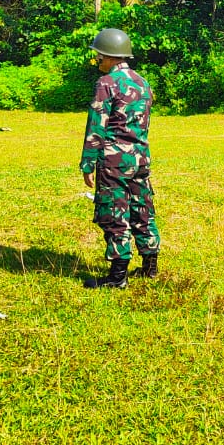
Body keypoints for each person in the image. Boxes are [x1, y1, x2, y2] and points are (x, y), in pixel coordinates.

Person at [80, 28, 161, 289]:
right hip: (140, 157)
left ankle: (117, 277)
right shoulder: (143, 82)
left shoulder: (106, 83)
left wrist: (88, 162)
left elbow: (96, 125)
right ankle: (150, 266)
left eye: (98, 57)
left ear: (109, 56)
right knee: (142, 210)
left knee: (114, 214)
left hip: (114, 160)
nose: (97, 62)